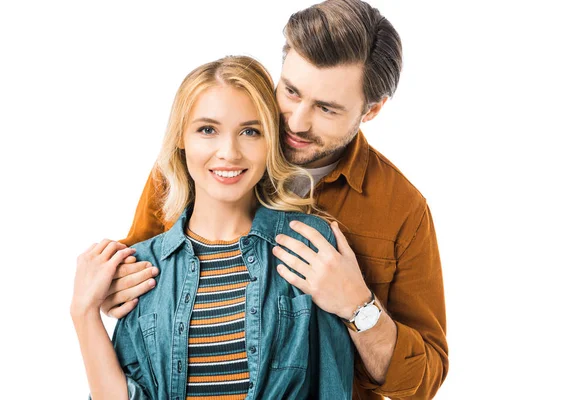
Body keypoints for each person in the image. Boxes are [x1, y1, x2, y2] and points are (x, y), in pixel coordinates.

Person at [104, 0, 449, 399]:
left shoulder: (401, 210)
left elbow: (423, 381)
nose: (297, 121)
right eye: (290, 91)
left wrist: (358, 307)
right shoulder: (199, 164)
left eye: (326, 108)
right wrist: (115, 290)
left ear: (371, 110)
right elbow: (139, 277)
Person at [71, 56, 354, 400]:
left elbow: (333, 387)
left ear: (271, 142)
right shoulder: (142, 267)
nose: (229, 152)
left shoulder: (308, 245)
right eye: (208, 130)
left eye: (250, 131)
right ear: (181, 138)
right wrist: (83, 313)